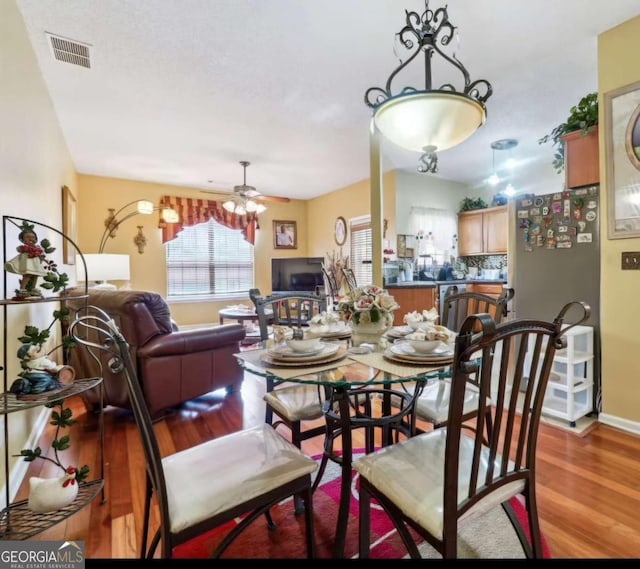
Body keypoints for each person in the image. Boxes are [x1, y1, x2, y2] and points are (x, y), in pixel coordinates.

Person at [4, 227, 47, 299]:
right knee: (27, 274)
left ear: (36, 239)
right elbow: (19, 249)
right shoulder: (24, 247)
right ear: (23, 240)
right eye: (27, 237)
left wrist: (42, 257)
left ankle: (33, 288)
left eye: (33, 237)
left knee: (36, 275)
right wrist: (28, 248)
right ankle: (22, 288)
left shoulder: (38, 247)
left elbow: (42, 254)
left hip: (36, 263)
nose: (31, 239)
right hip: (28, 263)